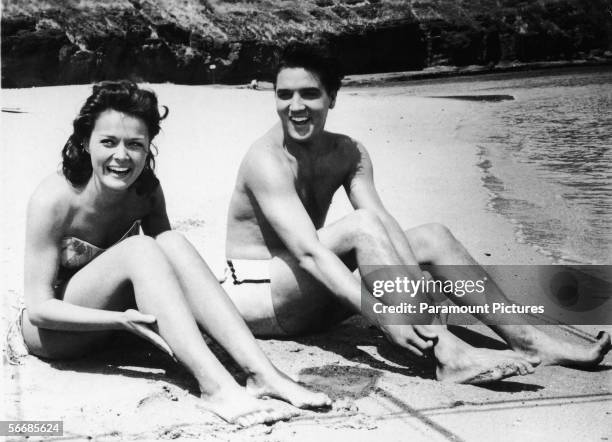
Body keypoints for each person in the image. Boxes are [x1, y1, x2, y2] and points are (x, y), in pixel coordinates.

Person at [223, 43, 611, 384]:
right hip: (261, 299)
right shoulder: (267, 160)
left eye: (309, 94)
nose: (295, 107)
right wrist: (387, 316)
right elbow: (310, 252)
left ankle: (528, 341)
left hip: (307, 290)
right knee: (360, 228)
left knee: (433, 237)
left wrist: (417, 294)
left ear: (332, 97)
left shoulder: (347, 152)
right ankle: (449, 354)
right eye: (284, 95)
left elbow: (383, 225)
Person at [18, 80, 330, 427]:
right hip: (55, 333)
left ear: (148, 146)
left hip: (122, 326)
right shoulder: (55, 200)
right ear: (85, 142)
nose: (121, 156)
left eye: (135, 145)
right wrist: (120, 320)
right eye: (108, 142)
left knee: (170, 241)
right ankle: (216, 387)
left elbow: (171, 267)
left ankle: (263, 373)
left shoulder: (145, 191)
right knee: (139, 248)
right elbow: (40, 309)